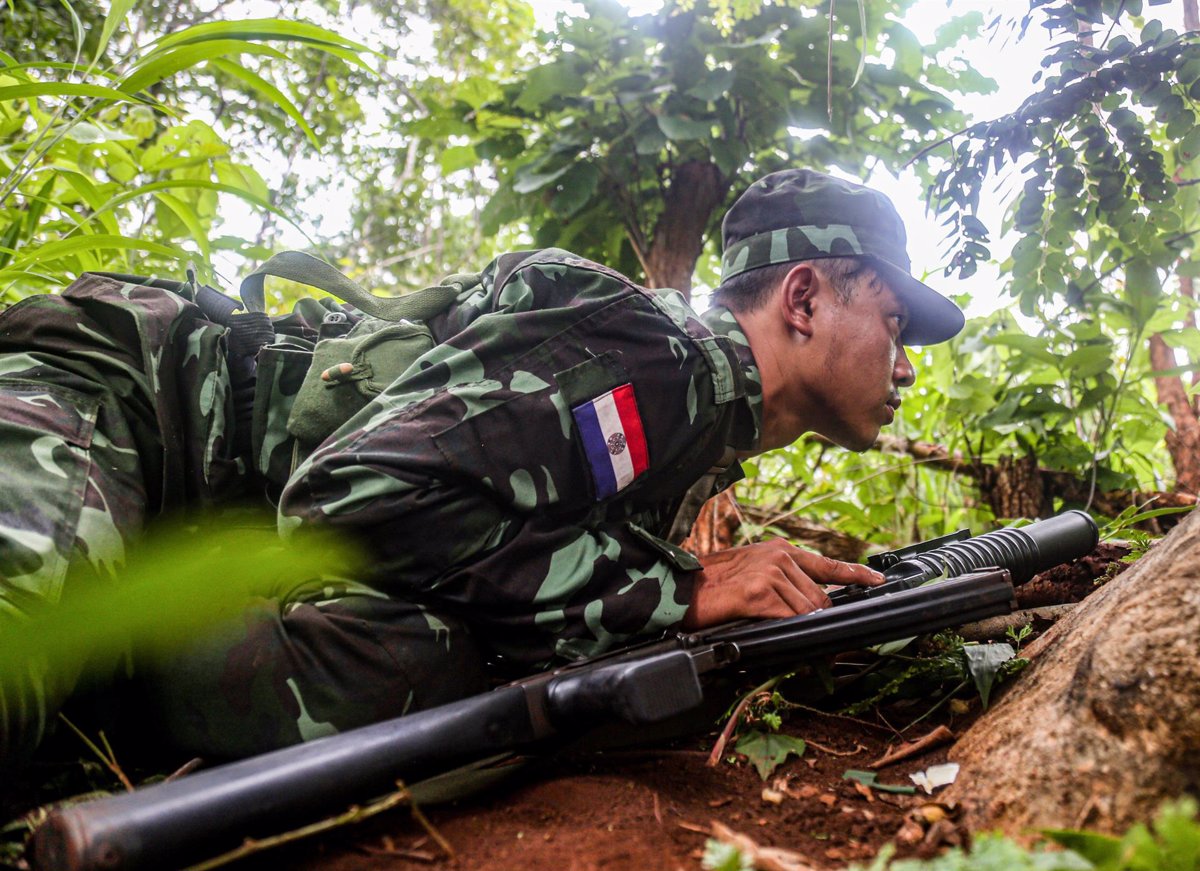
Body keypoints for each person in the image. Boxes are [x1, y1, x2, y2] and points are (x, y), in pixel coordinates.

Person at [0, 169, 965, 763]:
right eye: (893, 323)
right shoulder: (658, 360)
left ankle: (112, 650)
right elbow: (358, 496)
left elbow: (480, 575)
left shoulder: (702, 433)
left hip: (201, 509)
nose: (908, 361)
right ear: (802, 298)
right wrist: (675, 587)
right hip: (114, 392)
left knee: (433, 657)